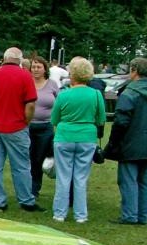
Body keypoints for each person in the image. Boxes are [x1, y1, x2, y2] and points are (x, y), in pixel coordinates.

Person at [104, 57, 147, 225]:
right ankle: (144, 215)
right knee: (145, 180)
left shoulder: (129, 93)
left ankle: (129, 215)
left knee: (128, 180)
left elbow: (121, 122)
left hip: (130, 143)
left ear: (134, 71)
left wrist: (114, 143)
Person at [0, 47, 43, 212]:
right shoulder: (25, 76)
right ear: (20, 59)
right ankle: (26, 200)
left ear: (4, 58)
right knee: (21, 165)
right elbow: (30, 104)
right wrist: (26, 121)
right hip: (16, 126)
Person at [49, 57, 104, 223]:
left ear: (72, 74)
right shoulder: (95, 94)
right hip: (87, 137)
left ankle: (59, 213)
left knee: (63, 177)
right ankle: (81, 215)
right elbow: (101, 119)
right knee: (81, 177)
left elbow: (54, 119)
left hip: (65, 136)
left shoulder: (64, 94)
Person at [28, 56, 60, 198]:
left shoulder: (52, 84)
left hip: (46, 127)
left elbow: (60, 103)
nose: (35, 69)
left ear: (45, 69)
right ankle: (28, 188)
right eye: (33, 67)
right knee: (28, 158)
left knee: (40, 159)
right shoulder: (26, 83)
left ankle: (35, 187)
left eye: (38, 67)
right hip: (28, 126)